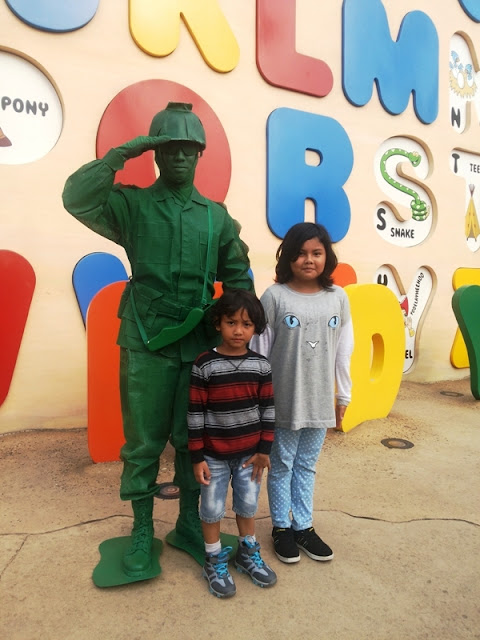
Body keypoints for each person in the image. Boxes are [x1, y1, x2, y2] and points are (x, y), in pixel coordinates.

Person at [62, 102, 254, 578]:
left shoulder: (216, 217)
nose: (179, 157)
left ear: (200, 154)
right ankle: (142, 529)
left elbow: (237, 277)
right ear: (155, 154)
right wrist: (121, 154)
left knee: (192, 440)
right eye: (169, 149)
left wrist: (237, 331)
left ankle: (189, 523)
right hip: (145, 338)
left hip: (197, 344)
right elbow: (77, 199)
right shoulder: (132, 205)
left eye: (188, 149)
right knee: (144, 442)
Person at [250, 222, 353, 564]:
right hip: (282, 401)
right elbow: (260, 352)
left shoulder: (338, 298)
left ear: (327, 256)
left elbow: (343, 351)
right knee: (281, 464)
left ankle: (304, 526)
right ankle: (281, 527)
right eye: (300, 253)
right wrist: (259, 402)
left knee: (307, 465)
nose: (309, 260)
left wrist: (343, 396)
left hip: (319, 400)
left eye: (316, 253)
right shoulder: (274, 297)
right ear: (288, 258)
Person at [187, 289, 277, 597]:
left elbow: (268, 410)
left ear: (255, 328)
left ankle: (247, 554)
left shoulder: (261, 366)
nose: (239, 331)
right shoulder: (204, 364)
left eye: (247, 324)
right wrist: (197, 456)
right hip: (212, 456)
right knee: (211, 508)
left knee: (248, 505)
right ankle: (213, 559)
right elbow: (195, 413)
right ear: (218, 323)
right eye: (231, 322)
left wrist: (264, 450)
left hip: (250, 456)